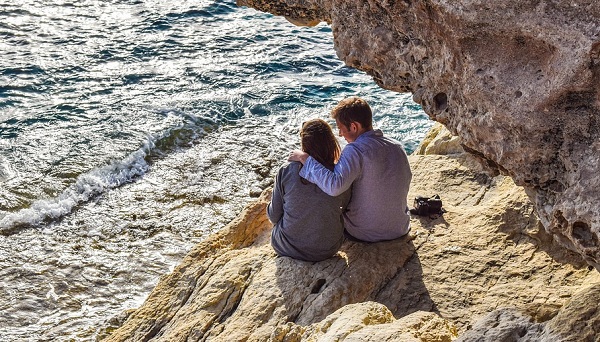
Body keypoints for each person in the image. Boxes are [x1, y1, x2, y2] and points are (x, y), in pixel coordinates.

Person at [289, 97, 412, 242]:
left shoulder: (355, 150)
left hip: (366, 233)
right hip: (399, 228)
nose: (340, 134)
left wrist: (305, 159)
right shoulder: (396, 146)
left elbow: (334, 186)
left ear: (354, 127)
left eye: (340, 128)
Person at [268, 119, 351, 262]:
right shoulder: (339, 175)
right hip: (328, 249)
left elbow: (274, 216)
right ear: (331, 142)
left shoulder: (287, 170)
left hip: (288, 247)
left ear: (304, 144)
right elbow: (344, 207)